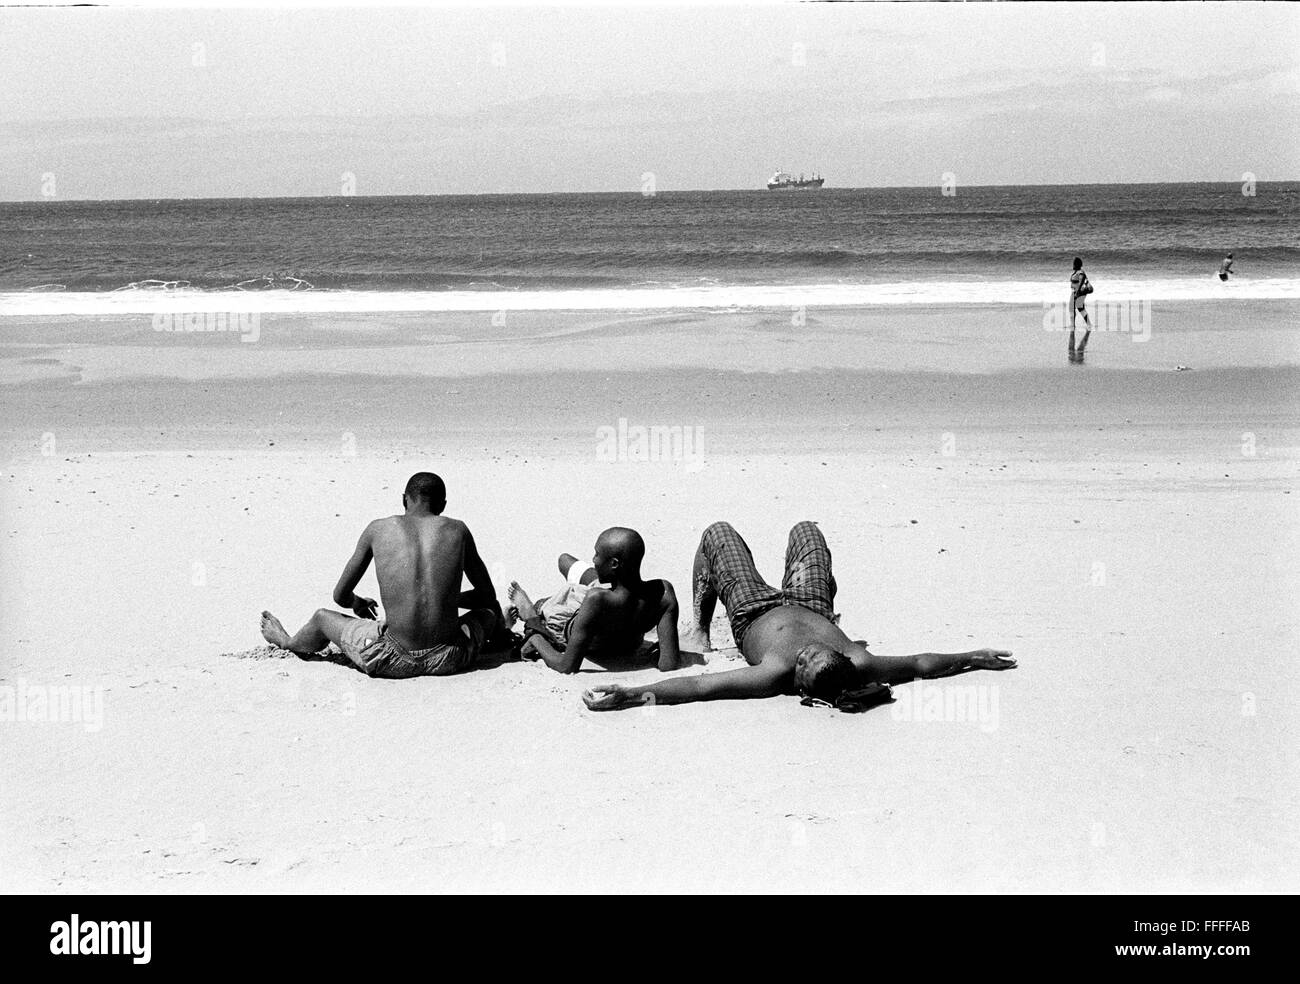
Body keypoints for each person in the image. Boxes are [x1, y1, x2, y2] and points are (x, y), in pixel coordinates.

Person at [583, 520, 1015, 711]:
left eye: (804, 664)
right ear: (843, 661)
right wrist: (973, 656)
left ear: (801, 685)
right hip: (811, 603)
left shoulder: (772, 672)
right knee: (807, 530)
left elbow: (699, 686)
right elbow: (921, 664)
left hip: (753, 609)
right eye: (816, 653)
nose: (806, 653)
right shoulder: (859, 663)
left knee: (719, 534)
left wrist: (632, 696)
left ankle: (701, 623)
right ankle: (806, 583)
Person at [259, 472, 505, 678]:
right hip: (450, 657)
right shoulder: (458, 530)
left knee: (322, 618)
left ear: (404, 500)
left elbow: (340, 595)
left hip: (390, 658)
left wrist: (357, 603)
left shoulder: (378, 529)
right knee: (490, 612)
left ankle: (286, 642)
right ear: (442, 505)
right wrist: (446, 597)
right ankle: (504, 637)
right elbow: (486, 596)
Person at [509, 527, 682, 674]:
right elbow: (669, 664)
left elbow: (566, 666)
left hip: (569, 621)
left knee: (542, 604)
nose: (593, 559)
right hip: (620, 599)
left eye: (597, 554)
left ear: (614, 564)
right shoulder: (663, 593)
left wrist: (535, 637)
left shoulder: (597, 599)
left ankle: (530, 613)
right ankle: (583, 574)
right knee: (565, 560)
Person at [1069, 256, 1093, 363]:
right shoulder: (1076, 272)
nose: (1073, 264)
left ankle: (1074, 325)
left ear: (1077, 264)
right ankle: (1086, 324)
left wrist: (1078, 290)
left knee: (1076, 308)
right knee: (1078, 308)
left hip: (1079, 292)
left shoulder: (1080, 272)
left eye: (1074, 263)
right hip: (1075, 292)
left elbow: (1082, 279)